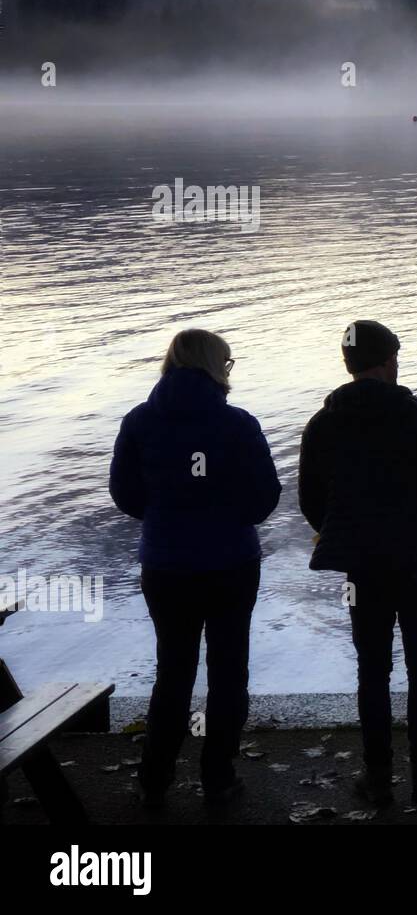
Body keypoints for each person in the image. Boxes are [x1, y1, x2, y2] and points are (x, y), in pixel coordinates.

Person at [110, 329, 281, 808]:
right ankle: (218, 779)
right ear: (216, 369)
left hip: (166, 565)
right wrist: (227, 517)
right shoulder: (239, 425)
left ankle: (154, 780)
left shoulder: (139, 421)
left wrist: (167, 517)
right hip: (231, 563)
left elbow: (124, 494)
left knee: (173, 672)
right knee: (228, 672)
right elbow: (265, 498)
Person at [298, 321, 417, 807]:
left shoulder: (325, 423)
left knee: (372, 668)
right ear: (390, 359)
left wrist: (342, 531)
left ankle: (376, 776)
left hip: (363, 565)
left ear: (348, 364)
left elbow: (311, 498)